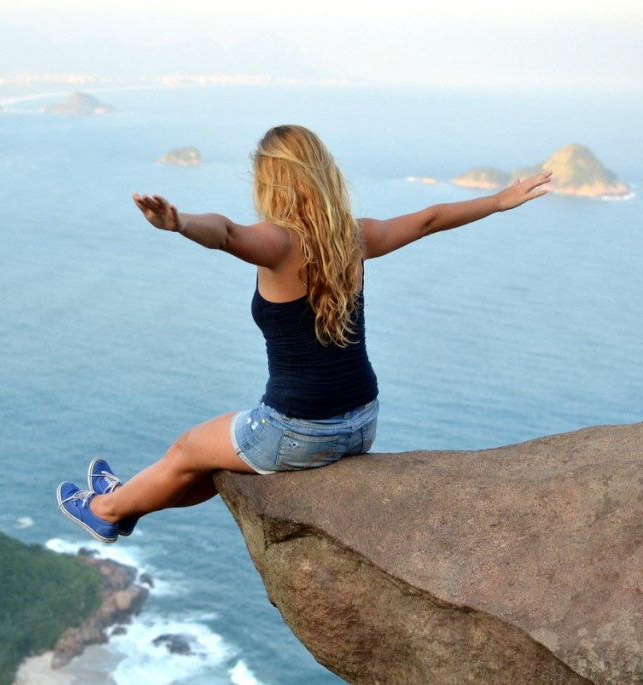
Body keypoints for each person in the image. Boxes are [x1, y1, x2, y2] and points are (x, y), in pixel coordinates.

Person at [57, 124, 552, 543]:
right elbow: (427, 220)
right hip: (361, 423)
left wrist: (179, 222)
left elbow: (226, 233)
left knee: (187, 448)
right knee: (210, 463)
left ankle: (104, 511)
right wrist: (498, 200)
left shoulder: (276, 242)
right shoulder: (353, 237)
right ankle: (125, 503)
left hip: (298, 432)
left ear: (271, 182)